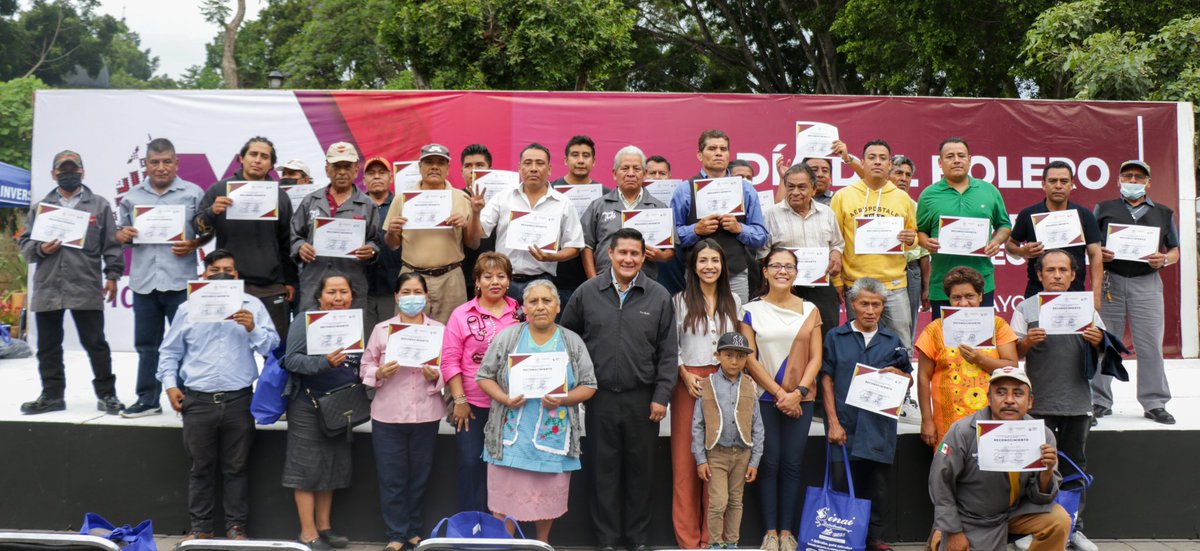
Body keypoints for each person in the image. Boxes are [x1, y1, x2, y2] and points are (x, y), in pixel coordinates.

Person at [560, 228, 678, 551]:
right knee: (603, 474)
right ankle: (608, 542)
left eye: (635, 253)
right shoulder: (586, 293)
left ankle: (637, 541)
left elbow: (669, 353)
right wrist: (576, 385)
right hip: (599, 400)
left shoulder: (659, 296)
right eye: (622, 252)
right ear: (609, 254)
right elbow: (566, 340)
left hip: (643, 402)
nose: (628, 258)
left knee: (642, 476)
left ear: (643, 257)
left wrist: (661, 396)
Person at [157, 249, 279, 542]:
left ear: (237, 275)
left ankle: (236, 528)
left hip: (238, 400)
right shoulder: (187, 309)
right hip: (197, 400)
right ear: (205, 274)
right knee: (200, 469)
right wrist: (171, 386)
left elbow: (272, 347)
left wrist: (252, 329)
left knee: (236, 469)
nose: (223, 274)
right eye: (216, 270)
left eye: (229, 269)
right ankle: (201, 529)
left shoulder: (253, 306)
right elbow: (169, 351)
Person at [476, 279, 598, 543]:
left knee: (546, 503)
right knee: (504, 504)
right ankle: (504, 547)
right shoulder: (509, 337)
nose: (540, 306)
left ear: (558, 306)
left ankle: (542, 544)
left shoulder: (572, 342)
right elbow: (484, 376)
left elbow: (589, 385)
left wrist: (564, 398)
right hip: (510, 439)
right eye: (533, 301)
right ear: (524, 308)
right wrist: (505, 399)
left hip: (552, 439)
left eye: (547, 301)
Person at [18, 150, 125, 415]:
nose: (68, 174)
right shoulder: (40, 208)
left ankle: (107, 394)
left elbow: (111, 245)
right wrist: (42, 248)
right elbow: (25, 246)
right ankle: (52, 395)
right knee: (47, 345)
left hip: (85, 284)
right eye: (62, 170)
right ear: (53, 174)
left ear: (82, 172)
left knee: (96, 343)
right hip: (48, 286)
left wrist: (112, 275)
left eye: (73, 170)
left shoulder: (99, 206)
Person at [1010, 250, 1104, 551]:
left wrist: (1098, 340)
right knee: (1034, 468)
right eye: (1050, 270)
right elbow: (1012, 355)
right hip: (1038, 404)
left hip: (1078, 403)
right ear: (1039, 275)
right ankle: (1035, 529)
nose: (1057, 275)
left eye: (1064, 270)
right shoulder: (1026, 308)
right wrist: (1027, 342)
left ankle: (1074, 528)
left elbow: (1105, 350)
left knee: (1075, 467)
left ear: (1074, 275)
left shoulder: (1086, 307)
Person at [928, 366, 1071, 551]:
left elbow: (1041, 498)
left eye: (1018, 393)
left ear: (1030, 401)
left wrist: (1047, 471)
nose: (1009, 400)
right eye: (1000, 392)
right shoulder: (962, 432)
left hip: (1016, 513)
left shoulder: (1042, 435)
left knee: (1059, 520)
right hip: (971, 519)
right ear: (988, 399)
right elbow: (940, 483)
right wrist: (953, 531)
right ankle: (940, 536)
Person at [821, 278, 913, 551]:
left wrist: (902, 376)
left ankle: (875, 539)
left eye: (876, 304)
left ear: (883, 306)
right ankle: (839, 537)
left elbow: (906, 378)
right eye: (864, 304)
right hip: (845, 425)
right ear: (852, 305)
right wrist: (833, 423)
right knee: (841, 483)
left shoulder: (891, 339)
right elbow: (826, 380)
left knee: (878, 486)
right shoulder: (835, 337)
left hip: (878, 426)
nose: (870, 310)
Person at [114, 138, 204, 418]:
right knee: (146, 345)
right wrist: (122, 236)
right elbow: (120, 235)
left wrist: (193, 244)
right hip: (144, 282)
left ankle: (190, 398)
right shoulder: (131, 197)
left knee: (187, 344)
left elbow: (207, 233)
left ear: (176, 163)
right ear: (147, 165)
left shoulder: (193, 194)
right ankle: (148, 399)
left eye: (167, 162)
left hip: (181, 281)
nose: (161, 168)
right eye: (155, 162)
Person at [740, 248, 821, 551]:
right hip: (764, 398)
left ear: (796, 273)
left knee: (792, 464)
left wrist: (797, 393)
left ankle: (787, 532)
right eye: (776, 266)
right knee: (769, 462)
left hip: (802, 398)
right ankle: (770, 533)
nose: (782, 271)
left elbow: (816, 358)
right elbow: (749, 359)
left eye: (789, 266)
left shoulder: (810, 308)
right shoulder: (750, 309)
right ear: (765, 271)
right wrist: (779, 394)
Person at [361, 272, 445, 551]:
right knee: (392, 478)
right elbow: (365, 367)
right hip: (388, 415)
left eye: (417, 292)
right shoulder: (382, 329)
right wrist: (380, 372)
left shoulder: (438, 330)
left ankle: (413, 530)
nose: (412, 298)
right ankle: (396, 534)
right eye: (406, 292)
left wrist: (436, 375)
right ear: (396, 297)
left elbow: (449, 368)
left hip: (426, 414)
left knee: (419, 477)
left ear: (426, 296)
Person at [1092, 160, 1180, 425]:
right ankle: (1099, 400)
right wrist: (1100, 251)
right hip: (1111, 281)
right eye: (1128, 176)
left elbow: (1175, 250)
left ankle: (1154, 402)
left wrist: (1164, 259)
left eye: (1139, 177)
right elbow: (1092, 245)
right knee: (1105, 342)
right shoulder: (1104, 209)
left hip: (1147, 282)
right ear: (1119, 180)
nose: (1133, 181)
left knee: (1151, 345)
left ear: (1148, 182)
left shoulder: (1164, 213)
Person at [669, 239, 744, 549]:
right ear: (693, 266)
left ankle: (713, 539)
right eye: (703, 260)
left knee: (716, 462)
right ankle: (689, 540)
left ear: (723, 265)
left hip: (725, 383)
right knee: (686, 463)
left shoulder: (736, 301)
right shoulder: (678, 301)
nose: (709, 266)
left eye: (715, 260)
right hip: (690, 382)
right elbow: (669, 346)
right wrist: (684, 373)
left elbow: (741, 345)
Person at [282, 274, 360, 551]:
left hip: (340, 405)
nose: (338, 298)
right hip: (307, 404)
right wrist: (324, 363)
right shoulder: (305, 321)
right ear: (320, 296)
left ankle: (325, 527)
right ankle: (307, 533)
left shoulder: (356, 323)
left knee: (331, 466)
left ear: (352, 295)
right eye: (332, 292)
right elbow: (290, 360)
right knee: (306, 469)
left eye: (344, 292)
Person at [194, 136, 298, 341]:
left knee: (276, 352)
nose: (257, 160)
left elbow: (287, 242)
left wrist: (290, 280)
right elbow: (198, 228)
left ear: (271, 164)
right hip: (228, 284)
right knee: (227, 347)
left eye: (264, 156)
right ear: (241, 158)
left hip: (271, 287)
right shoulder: (219, 189)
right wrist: (211, 212)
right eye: (253, 154)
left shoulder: (280, 196)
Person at [441, 252, 522, 513]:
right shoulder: (461, 314)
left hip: (512, 406)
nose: (494, 282)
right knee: (471, 465)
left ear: (509, 281)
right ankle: (471, 529)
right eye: (488, 276)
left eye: (501, 276)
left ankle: (501, 532)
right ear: (477, 281)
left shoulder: (521, 313)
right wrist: (460, 401)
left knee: (506, 469)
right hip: (472, 407)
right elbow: (450, 361)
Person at [829, 139, 918, 351]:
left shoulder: (902, 198)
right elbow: (834, 241)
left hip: (894, 284)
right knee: (861, 346)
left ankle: (901, 385)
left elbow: (914, 237)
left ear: (889, 165)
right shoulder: (843, 196)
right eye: (872, 158)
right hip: (857, 284)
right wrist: (837, 280)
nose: (877, 162)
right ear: (862, 162)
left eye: (883, 158)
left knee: (901, 346)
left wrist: (910, 238)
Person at [914, 267, 1019, 446]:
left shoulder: (997, 325)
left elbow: (1012, 367)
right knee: (948, 471)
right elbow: (923, 377)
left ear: (980, 296)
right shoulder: (934, 329)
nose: (963, 304)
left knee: (989, 470)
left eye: (969, 296)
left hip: (990, 418)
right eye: (956, 298)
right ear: (949, 299)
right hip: (947, 421)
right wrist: (927, 420)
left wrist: (979, 359)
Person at [384, 143, 484, 323]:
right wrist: (392, 232)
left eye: (440, 162)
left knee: (452, 336)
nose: (435, 167)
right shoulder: (402, 199)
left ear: (447, 168)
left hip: (451, 278)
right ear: (420, 167)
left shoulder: (461, 198)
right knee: (408, 334)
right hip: (412, 277)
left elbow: (473, 243)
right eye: (429, 162)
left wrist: (469, 220)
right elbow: (392, 244)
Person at [916, 138, 1012, 317]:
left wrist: (996, 241)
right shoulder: (928, 195)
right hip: (942, 283)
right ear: (940, 162)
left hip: (981, 282)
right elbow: (920, 231)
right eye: (950, 156)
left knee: (982, 341)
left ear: (969, 159)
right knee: (944, 343)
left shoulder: (989, 191)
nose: (956, 160)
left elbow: (1004, 225)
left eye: (961, 155)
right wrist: (926, 242)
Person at [672, 129, 769, 303]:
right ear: (699, 155)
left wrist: (740, 229)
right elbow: (672, 236)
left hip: (736, 273)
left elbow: (761, 236)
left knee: (738, 324)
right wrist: (695, 230)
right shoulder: (684, 190)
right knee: (696, 324)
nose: (718, 153)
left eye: (723, 149)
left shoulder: (746, 189)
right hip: (697, 274)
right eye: (712, 148)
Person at [479, 143, 584, 300]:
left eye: (540, 163)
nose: (533, 168)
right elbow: (481, 231)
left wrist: (551, 257)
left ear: (549, 169)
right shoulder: (502, 198)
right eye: (528, 163)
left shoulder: (563, 203)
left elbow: (574, 246)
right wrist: (475, 212)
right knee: (506, 325)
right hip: (504, 281)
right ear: (520, 167)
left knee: (539, 325)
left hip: (542, 281)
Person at [692, 332, 764, 550]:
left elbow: (757, 425)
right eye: (729, 355)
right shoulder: (708, 384)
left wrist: (755, 461)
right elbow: (698, 425)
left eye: (740, 357)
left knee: (735, 500)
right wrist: (700, 459)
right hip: (716, 454)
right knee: (718, 502)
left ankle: (732, 542)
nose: (735, 361)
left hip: (742, 454)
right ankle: (715, 543)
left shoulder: (750, 385)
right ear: (718, 356)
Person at [291, 142, 379, 317]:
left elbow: (375, 241)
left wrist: (371, 251)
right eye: (336, 167)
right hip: (314, 283)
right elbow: (294, 236)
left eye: (347, 167)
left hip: (352, 285)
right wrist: (300, 247)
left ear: (356, 170)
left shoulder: (368, 205)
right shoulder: (310, 201)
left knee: (348, 338)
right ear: (326, 170)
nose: (341, 172)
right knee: (312, 336)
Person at [763, 162, 844, 340]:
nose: (795, 192)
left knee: (826, 336)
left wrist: (836, 254)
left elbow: (837, 243)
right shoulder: (771, 214)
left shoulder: (827, 213)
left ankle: (823, 369)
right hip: (785, 287)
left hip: (821, 286)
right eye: (790, 187)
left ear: (814, 190)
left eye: (802, 187)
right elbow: (762, 253)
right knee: (788, 339)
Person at [1006, 160, 1103, 304]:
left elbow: (1095, 254)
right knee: (1035, 328)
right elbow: (1010, 245)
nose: (1058, 186)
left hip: (1074, 292)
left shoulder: (1084, 215)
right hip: (1036, 291)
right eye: (1053, 181)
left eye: (1064, 181)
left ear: (1072, 184)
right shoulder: (1028, 214)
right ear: (1044, 184)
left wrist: (1096, 295)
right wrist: (1023, 252)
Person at [581, 145, 675, 280]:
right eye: (625, 168)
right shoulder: (598, 206)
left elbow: (671, 249)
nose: (630, 173)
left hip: (645, 283)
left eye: (636, 169)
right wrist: (593, 280)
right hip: (604, 282)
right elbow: (586, 245)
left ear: (644, 174)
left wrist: (662, 256)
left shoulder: (660, 207)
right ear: (614, 173)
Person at [550, 135, 600, 305]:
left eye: (586, 156)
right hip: (556, 277)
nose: (580, 160)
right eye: (575, 155)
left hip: (595, 277)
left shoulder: (606, 194)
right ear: (565, 160)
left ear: (594, 162)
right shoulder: (549, 190)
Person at [889, 155, 931, 345]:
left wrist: (926, 287)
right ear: (887, 173)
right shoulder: (874, 203)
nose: (904, 178)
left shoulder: (915, 207)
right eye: (898, 173)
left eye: (908, 175)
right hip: (880, 269)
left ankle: (903, 368)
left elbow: (924, 252)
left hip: (911, 270)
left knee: (907, 327)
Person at [362, 155, 404, 332]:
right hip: (361, 289)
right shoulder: (356, 205)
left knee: (390, 342)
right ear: (364, 180)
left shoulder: (402, 204)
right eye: (371, 173)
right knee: (364, 347)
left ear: (391, 177)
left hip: (392, 287)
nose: (377, 176)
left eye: (382, 172)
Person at [646, 155, 688, 297]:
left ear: (669, 176)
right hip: (647, 262)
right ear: (644, 175)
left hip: (674, 263)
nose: (657, 177)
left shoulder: (681, 198)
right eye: (652, 173)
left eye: (662, 173)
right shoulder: (635, 202)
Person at [460, 144, 496, 299]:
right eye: (468, 166)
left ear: (490, 169)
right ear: (461, 171)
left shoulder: (503, 199)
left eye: (480, 165)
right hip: (464, 279)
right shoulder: (453, 198)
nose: (473, 170)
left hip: (497, 279)